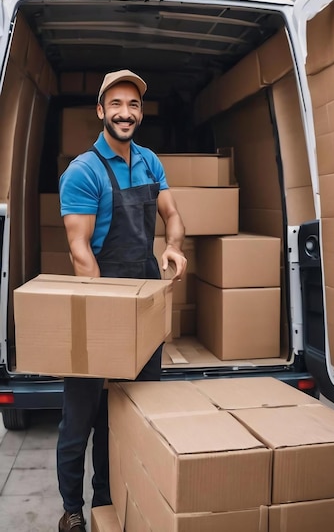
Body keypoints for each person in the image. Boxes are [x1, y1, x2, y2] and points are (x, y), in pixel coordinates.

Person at [57, 69, 187, 532]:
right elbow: (80, 254)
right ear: (101, 110)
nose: (125, 113)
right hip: (99, 308)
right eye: (116, 104)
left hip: (144, 304)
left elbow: (171, 213)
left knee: (127, 416)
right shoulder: (83, 171)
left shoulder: (150, 161)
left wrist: (173, 245)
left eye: (133, 105)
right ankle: (73, 510)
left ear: (140, 112)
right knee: (81, 421)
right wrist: (109, 325)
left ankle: (110, 502)